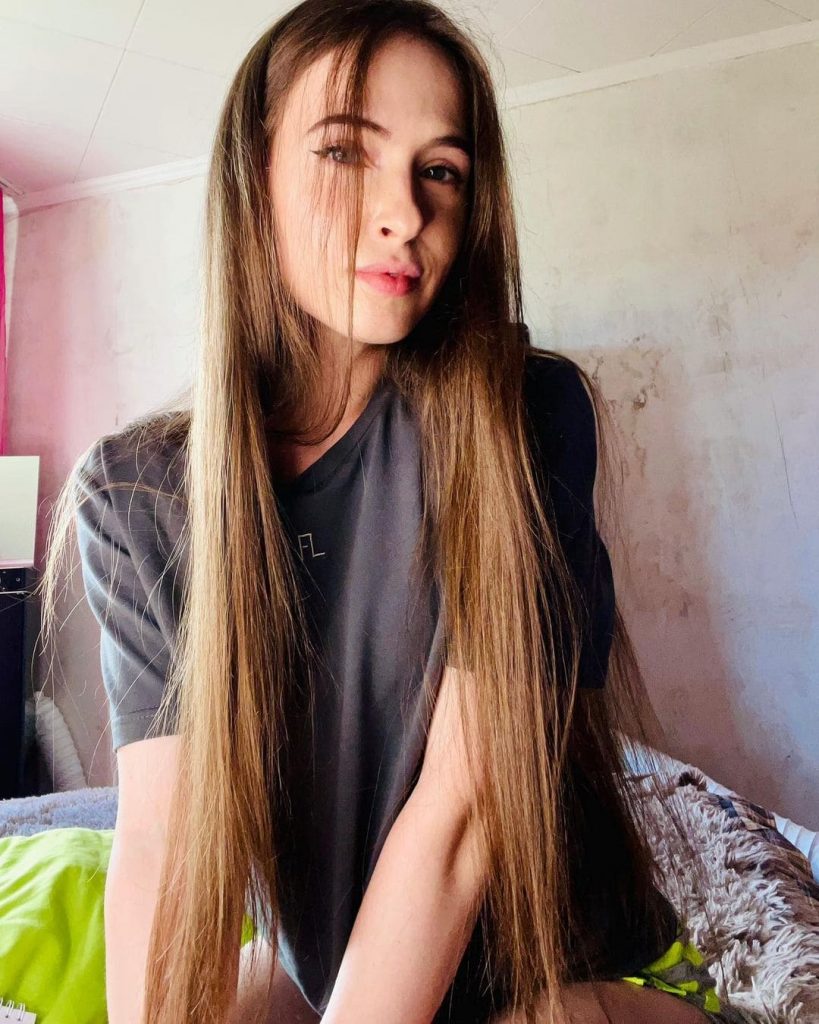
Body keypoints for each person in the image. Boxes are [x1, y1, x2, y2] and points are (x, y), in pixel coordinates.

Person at [39, 2, 752, 1022]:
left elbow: (465, 816)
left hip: (567, 974)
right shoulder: (135, 493)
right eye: (344, 151)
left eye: (442, 171)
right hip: (337, 972)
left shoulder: (522, 414)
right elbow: (162, 842)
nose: (406, 213)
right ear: (252, 179)